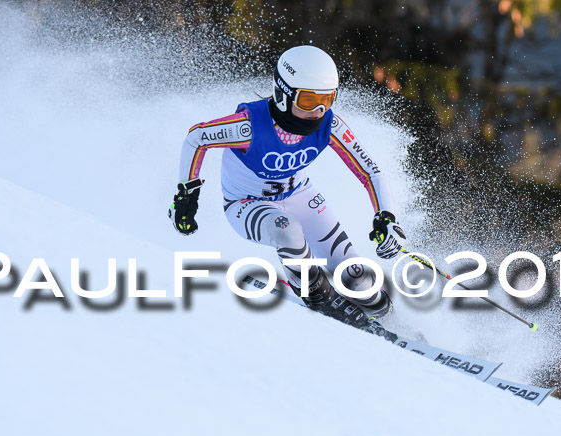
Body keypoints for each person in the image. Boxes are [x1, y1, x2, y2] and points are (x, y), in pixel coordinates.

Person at [169, 45, 408, 333]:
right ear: (283, 93)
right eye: (308, 101)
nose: (318, 111)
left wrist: (386, 217)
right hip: (247, 203)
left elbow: (371, 171)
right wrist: (187, 194)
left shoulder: (329, 125)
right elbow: (197, 137)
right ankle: (317, 294)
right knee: (288, 230)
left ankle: (393, 324)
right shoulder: (248, 127)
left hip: (298, 194)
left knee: (357, 278)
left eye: (326, 100)